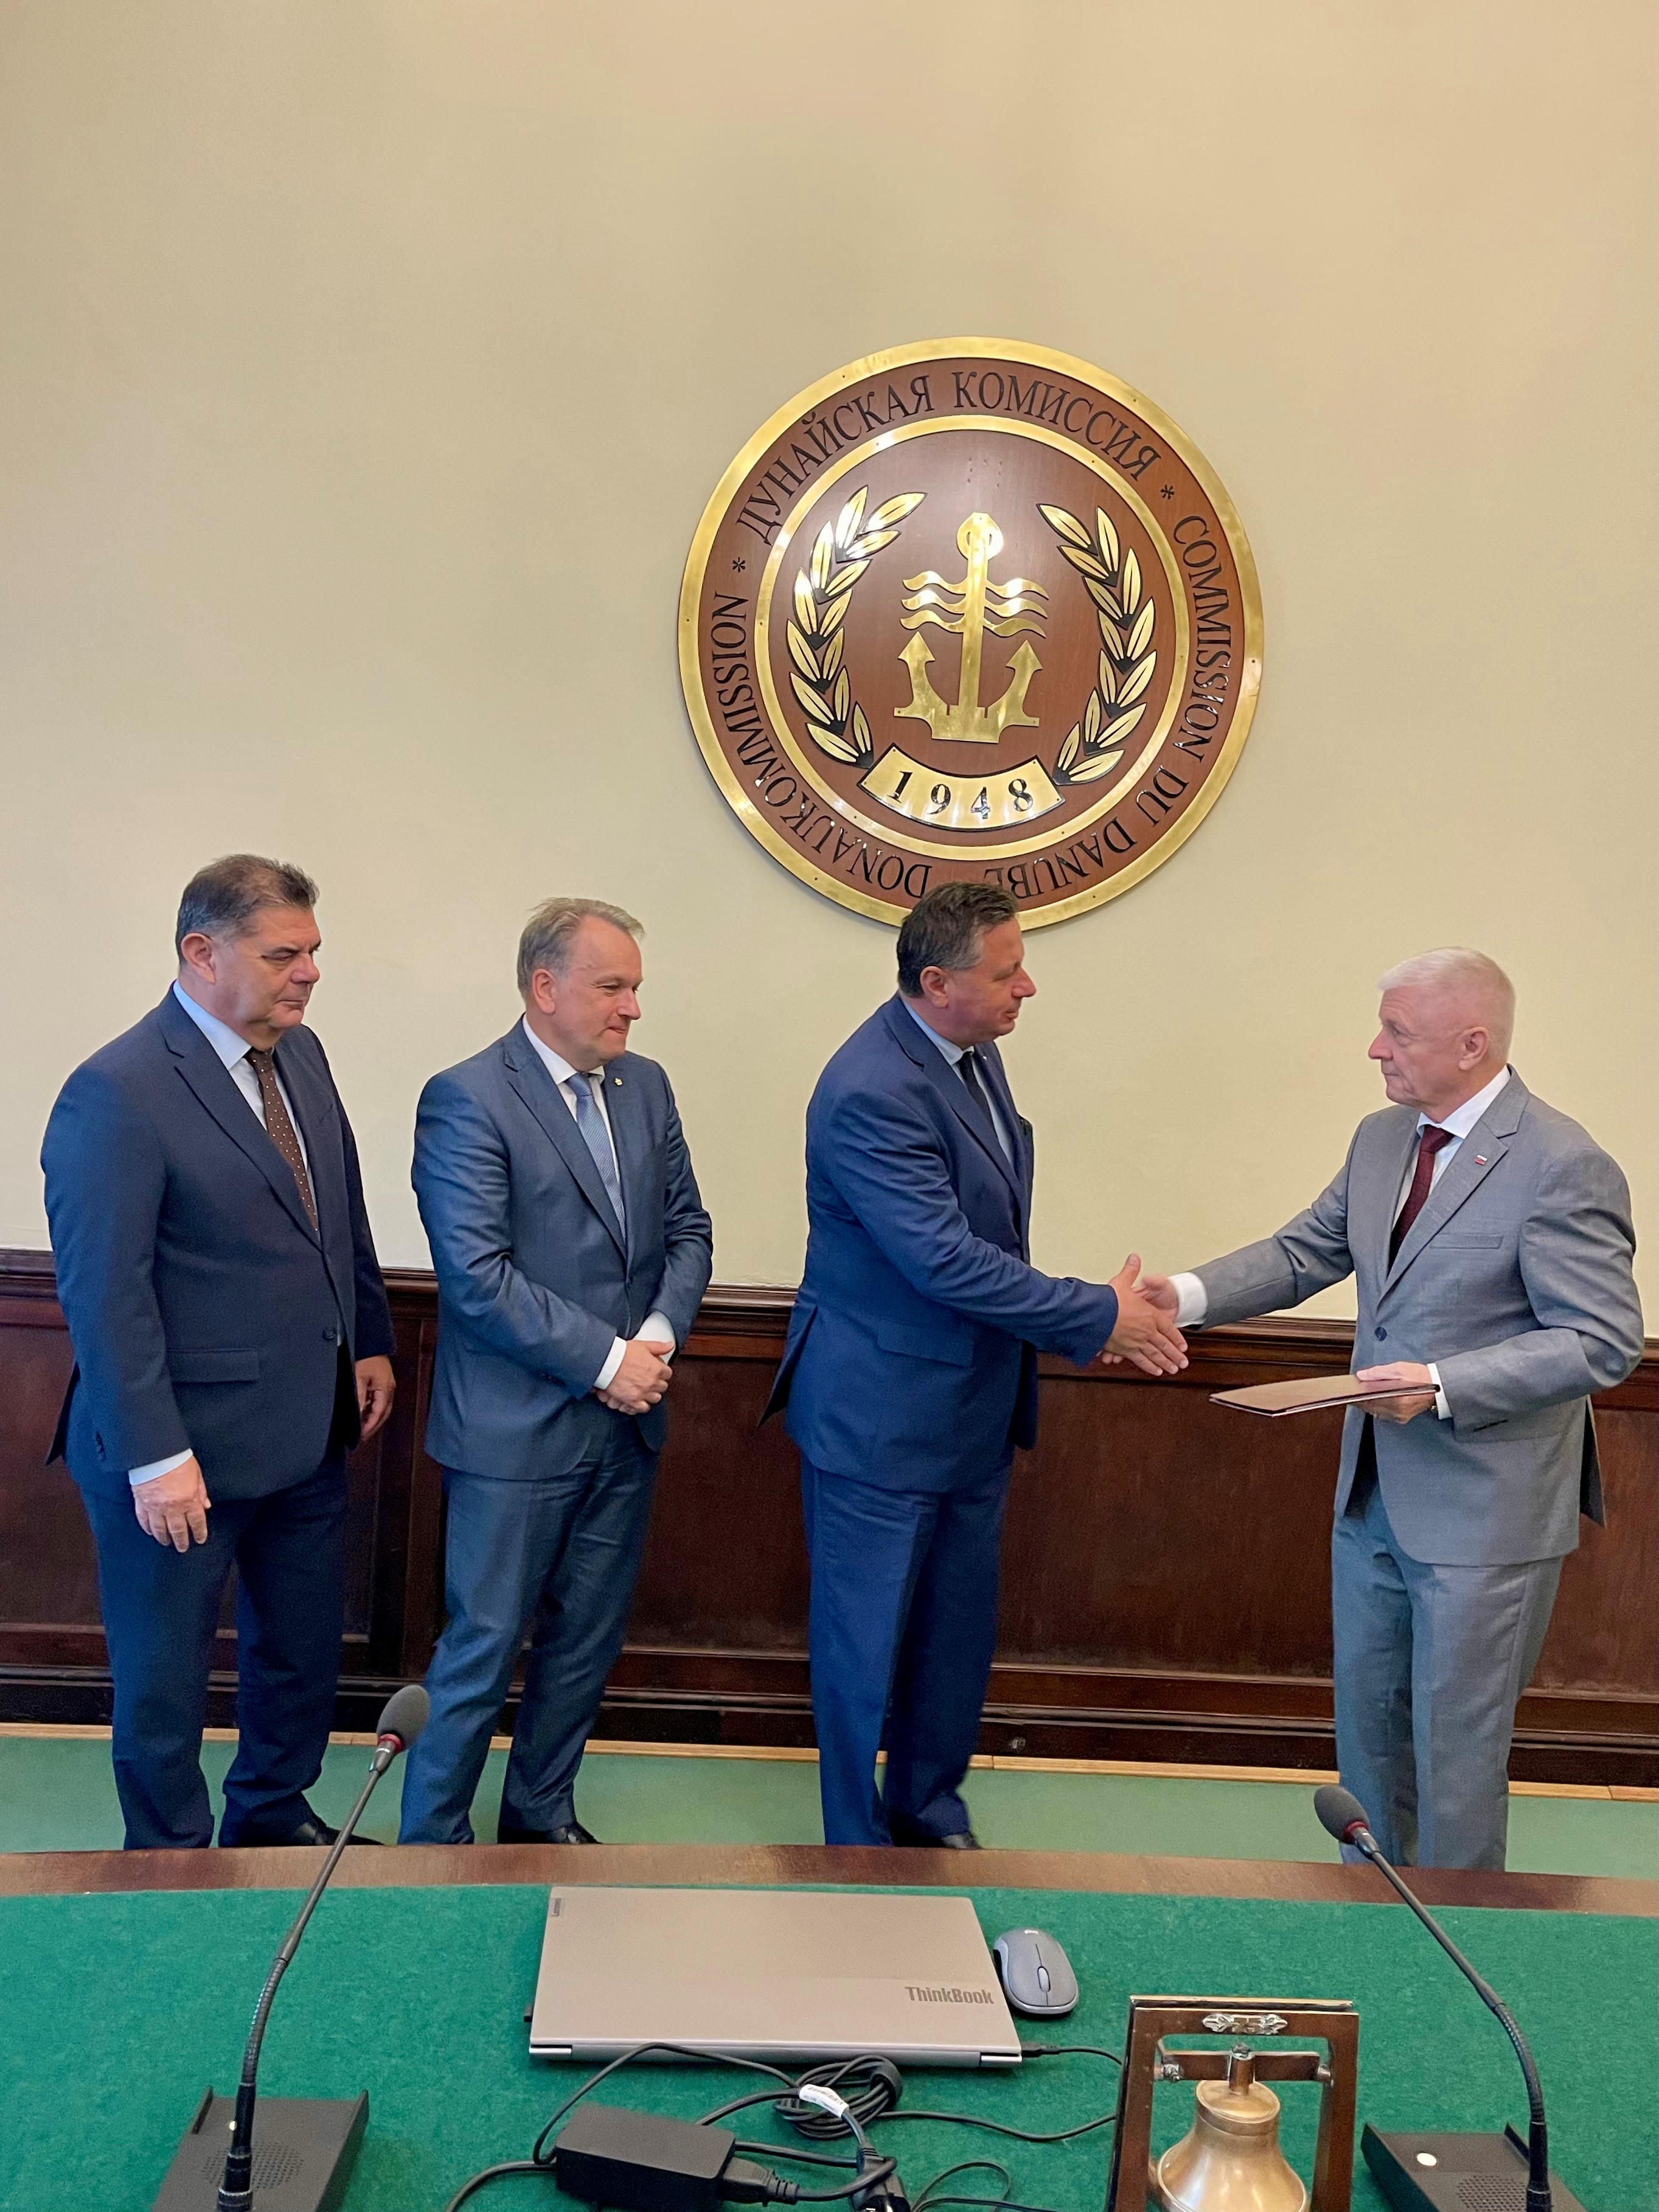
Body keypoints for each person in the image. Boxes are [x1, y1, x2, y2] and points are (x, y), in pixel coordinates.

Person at [1141, 948, 1643, 1870]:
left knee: (1456, 1762)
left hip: (1486, 1514)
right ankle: (1371, 1925)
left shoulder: (1562, 1164)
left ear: (1472, 1045)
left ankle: (1458, 1942)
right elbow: (1304, 1251)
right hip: (1372, 1497)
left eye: (1398, 1033)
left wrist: (1444, 1385)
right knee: (1369, 1746)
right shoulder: (1382, 1140)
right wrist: (1183, 1296)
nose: (1376, 1049)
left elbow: (1600, 1341)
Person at [765, 882, 1189, 1849]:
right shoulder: (872, 1087)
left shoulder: (974, 1055)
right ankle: (855, 1847)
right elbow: (943, 1260)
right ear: (936, 983)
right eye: (1007, 974)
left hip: (971, 1410)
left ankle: (927, 1809)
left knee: (953, 1637)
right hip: (879, 1417)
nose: (1026, 988)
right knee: (864, 1647)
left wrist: (1093, 1316)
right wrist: (1097, 1315)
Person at [41, 855, 397, 1850]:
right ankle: (168, 1860)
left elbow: (338, 1213)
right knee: (164, 1680)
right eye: (284, 955)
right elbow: (105, 1296)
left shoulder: (301, 1055)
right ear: (201, 953)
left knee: (300, 1655)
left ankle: (271, 1819)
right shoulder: (117, 1091)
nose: (310, 973)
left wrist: (370, 1338)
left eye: (313, 952)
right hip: (179, 1451)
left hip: (308, 1430)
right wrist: (156, 1456)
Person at [399, 898, 712, 1846]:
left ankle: (539, 1819)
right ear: (545, 987)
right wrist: (608, 1361)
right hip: (515, 1434)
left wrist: (654, 1338)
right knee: (483, 1647)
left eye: (635, 989)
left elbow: (689, 1230)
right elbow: (477, 1279)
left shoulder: (644, 1087)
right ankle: (430, 1851)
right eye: (613, 987)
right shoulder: (467, 1098)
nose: (633, 1009)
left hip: (628, 1423)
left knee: (584, 1644)